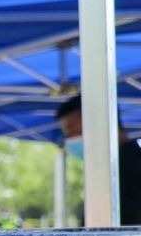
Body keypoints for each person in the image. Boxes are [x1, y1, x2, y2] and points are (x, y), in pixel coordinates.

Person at [55, 93, 141, 224]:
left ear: (101, 122)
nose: (70, 139)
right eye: (67, 134)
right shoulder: (109, 168)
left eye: (73, 131)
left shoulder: (129, 168)